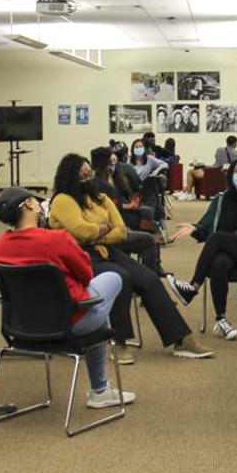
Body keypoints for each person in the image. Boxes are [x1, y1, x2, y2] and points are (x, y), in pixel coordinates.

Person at [49, 153, 213, 364]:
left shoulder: (101, 198)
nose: (88, 178)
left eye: (89, 173)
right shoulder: (63, 200)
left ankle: (181, 338)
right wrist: (103, 229)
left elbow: (121, 231)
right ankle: (119, 342)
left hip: (108, 250)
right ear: (70, 177)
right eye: (83, 175)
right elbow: (82, 232)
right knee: (122, 278)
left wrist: (101, 232)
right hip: (80, 256)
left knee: (149, 279)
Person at [0, 187, 136, 409]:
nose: (41, 206)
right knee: (113, 279)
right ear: (30, 204)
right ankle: (99, 389)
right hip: (68, 325)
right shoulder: (56, 239)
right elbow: (87, 274)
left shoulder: (1, 245)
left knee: (98, 300)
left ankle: (101, 389)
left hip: (21, 327)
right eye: (38, 202)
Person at [166, 158, 237, 340]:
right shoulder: (221, 199)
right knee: (219, 263)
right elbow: (206, 224)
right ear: (231, 174)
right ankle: (221, 319)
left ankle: (193, 286)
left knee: (218, 238)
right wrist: (195, 228)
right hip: (230, 251)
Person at [91, 147, 163, 276]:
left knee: (149, 219)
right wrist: (126, 207)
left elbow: (125, 197)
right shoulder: (103, 185)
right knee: (151, 232)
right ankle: (153, 271)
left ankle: (155, 266)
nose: (113, 165)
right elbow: (113, 211)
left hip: (121, 216)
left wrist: (128, 205)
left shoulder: (114, 178)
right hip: (117, 223)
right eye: (111, 162)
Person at [175, 136, 237, 202]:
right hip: (224, 174)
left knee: (191, 172)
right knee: (197, 172)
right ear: (234, 143)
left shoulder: (219, 150)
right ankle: (186, 191)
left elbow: (217, 159)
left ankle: (188, 193)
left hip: (211, 172)